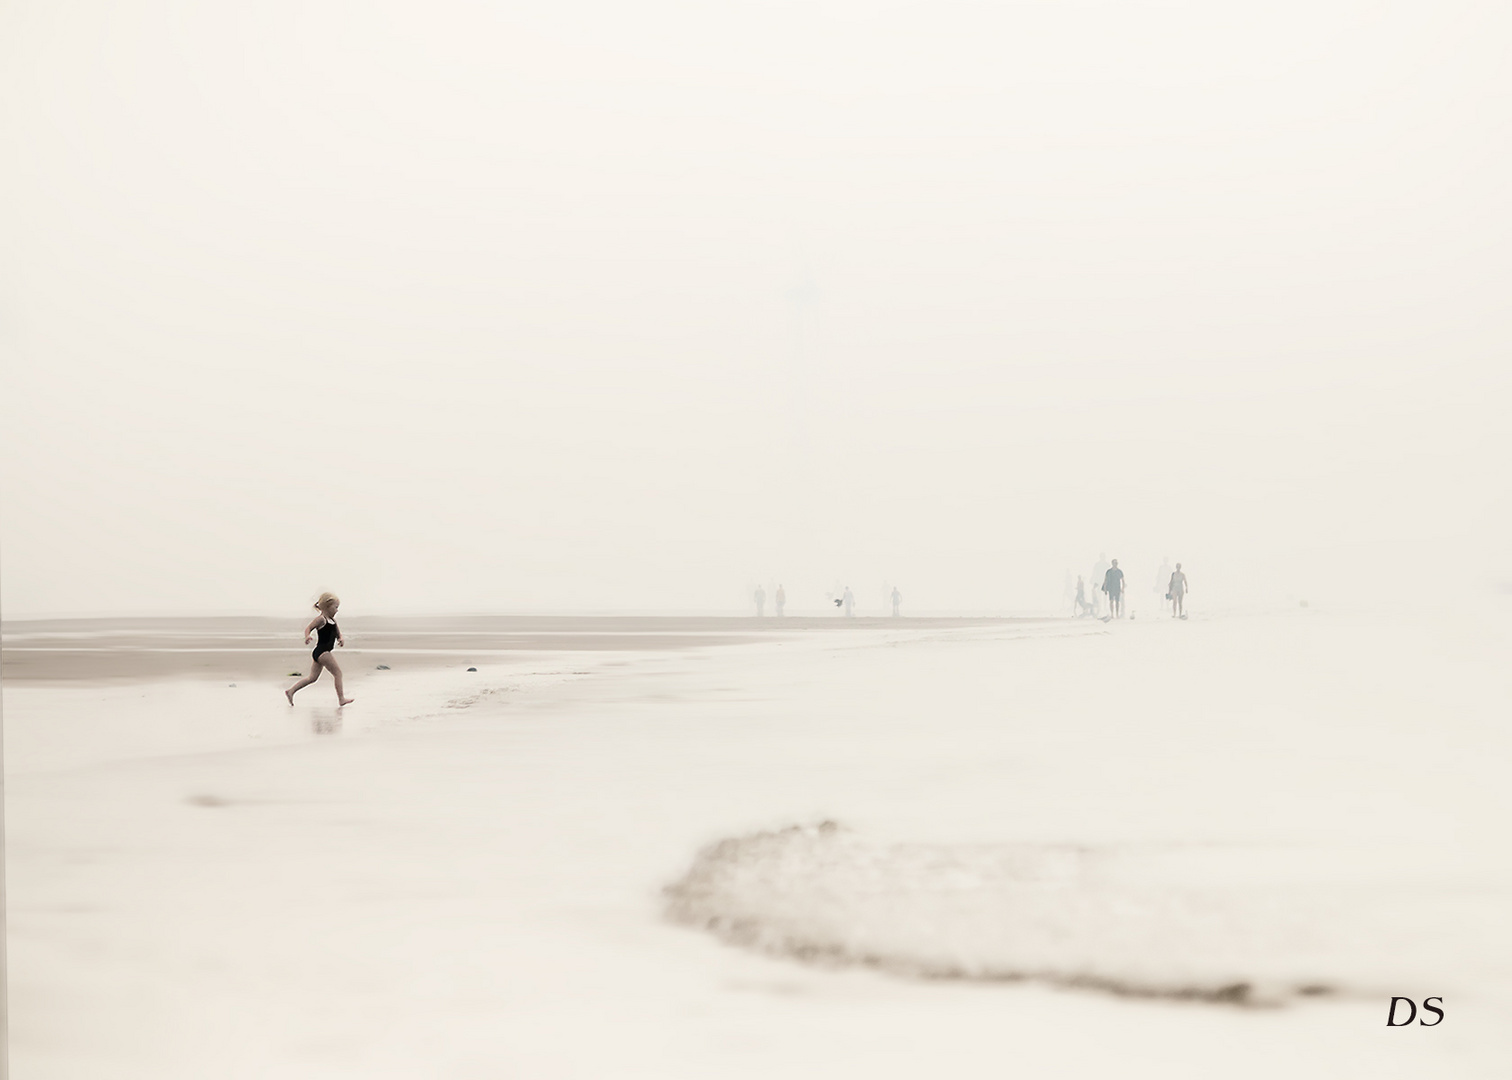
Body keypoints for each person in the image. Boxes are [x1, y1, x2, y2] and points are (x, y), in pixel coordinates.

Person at [286, 592, 353, 705]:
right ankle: (341, 699)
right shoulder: (321, 619)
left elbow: (338, 634)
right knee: (338, 673)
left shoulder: (333, 621)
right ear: (327, 606)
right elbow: (308, 628)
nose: (337, 610)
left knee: (312, 678)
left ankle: (291, 691)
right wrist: (307, 636)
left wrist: (340, 639)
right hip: (323, 652)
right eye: (335, 607)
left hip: (319, 653)